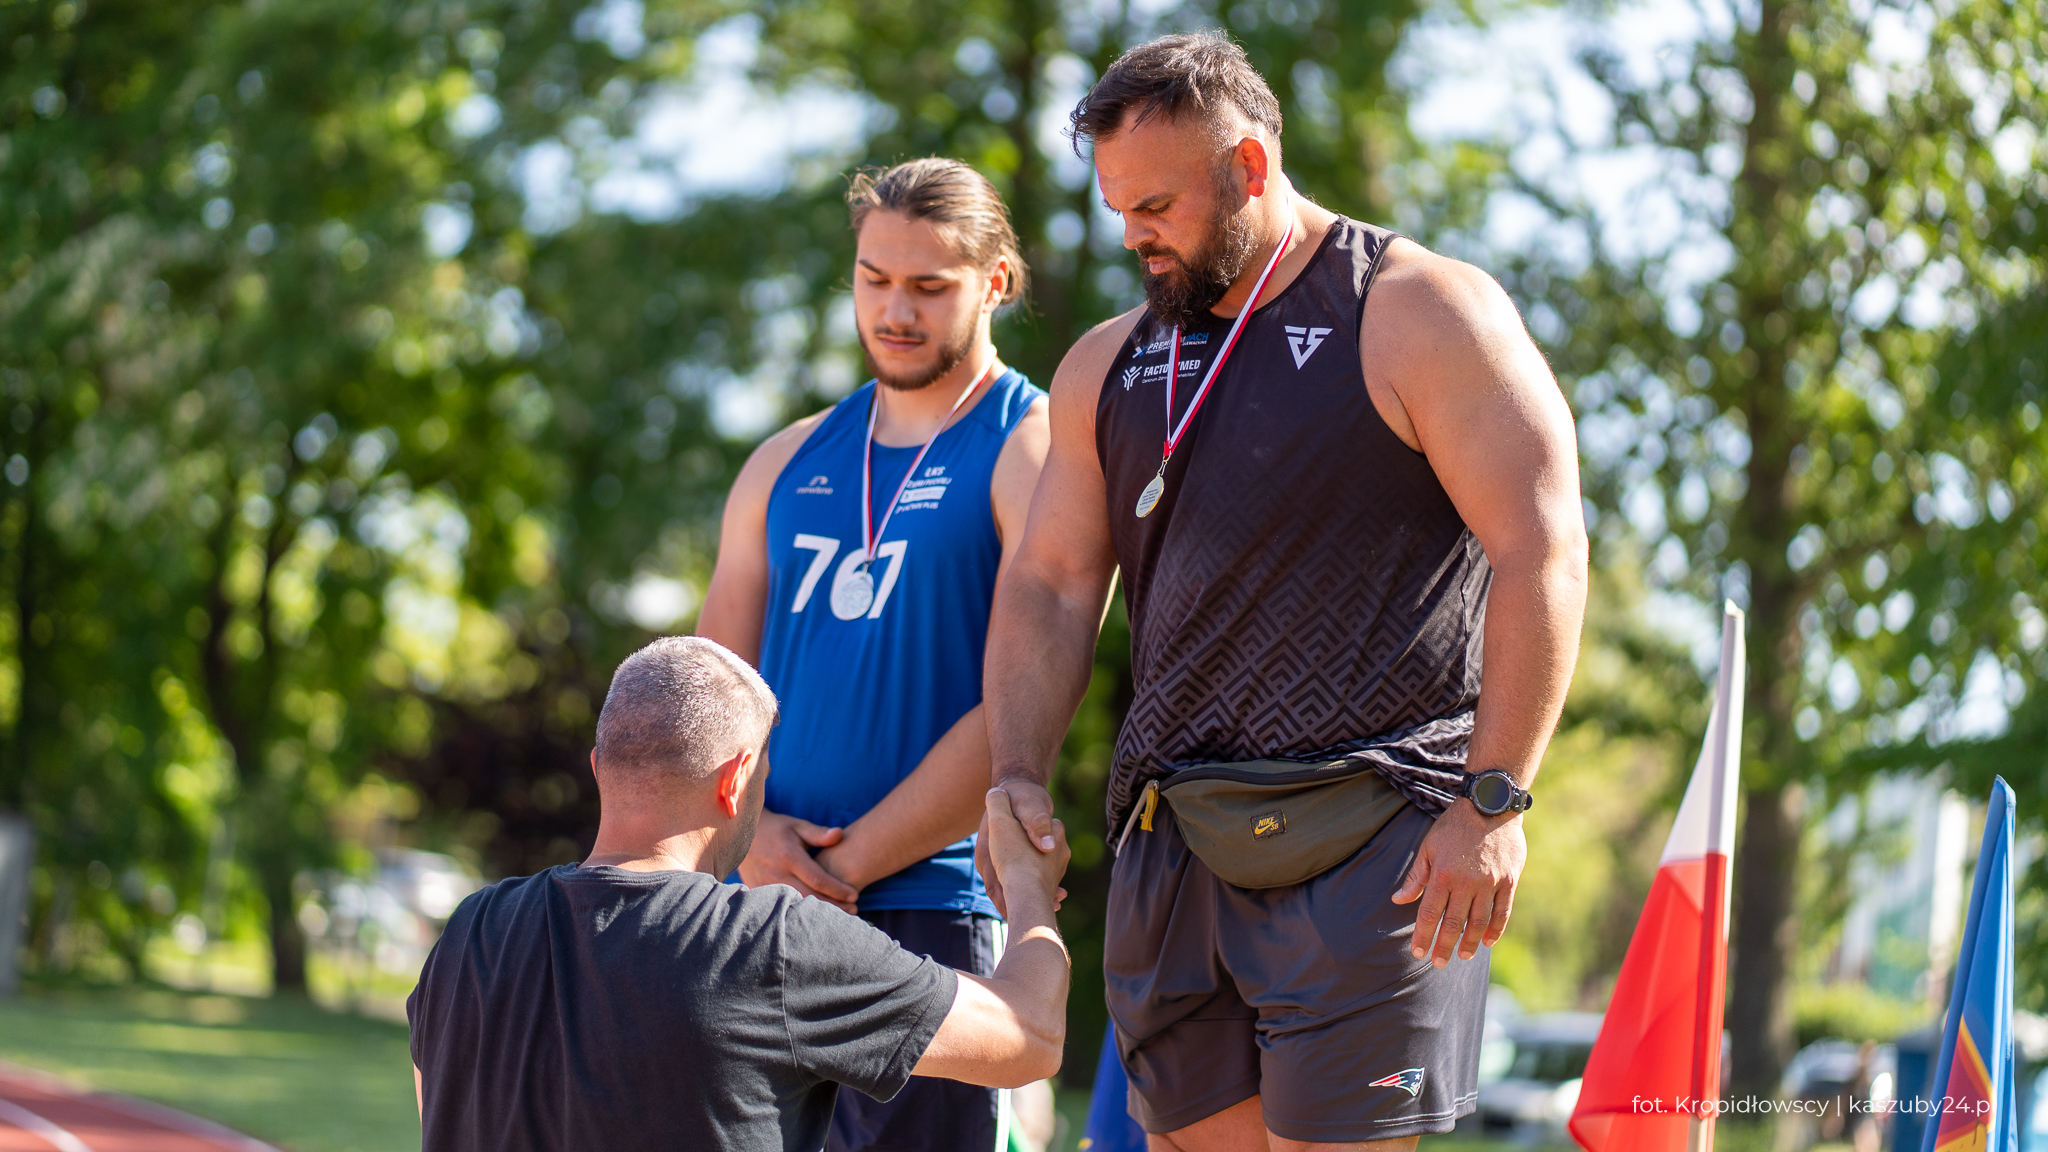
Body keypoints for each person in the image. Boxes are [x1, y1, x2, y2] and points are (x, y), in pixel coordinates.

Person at [979, 33, 1589, 1152]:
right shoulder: (1105, 363)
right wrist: (1015, 771)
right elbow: (1054, 584)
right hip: (1176, 838)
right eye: (1116, 208)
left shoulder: (1416, 310)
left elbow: (1540, 549)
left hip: (1376, 833)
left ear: (1249, 168)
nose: (1132, 236)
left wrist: (1493, 802)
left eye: (1156, 205)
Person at [695, 157, 1050, 1151]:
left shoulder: (1033, 449)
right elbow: (705, 695)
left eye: (929, 286)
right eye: (873, 279)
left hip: (929, 915)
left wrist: (840, 869)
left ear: (994, 282)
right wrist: (752, 840)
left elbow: (1025, 705)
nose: (894, 311)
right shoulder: (784, 459)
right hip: (756, 904)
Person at [407, 636, 1071, 1152]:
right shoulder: (768, 944)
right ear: (736, 781)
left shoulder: (471, 934)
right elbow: (1031, 1034)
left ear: (598, 766)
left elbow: (434, 1103)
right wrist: (1027, 885)